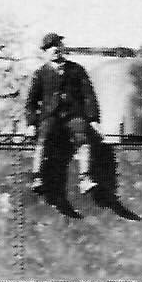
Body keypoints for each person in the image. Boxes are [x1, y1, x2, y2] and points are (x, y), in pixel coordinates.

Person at [24, 33, 101, 195]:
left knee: (83, 137)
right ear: (45, 52)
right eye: (51, 47)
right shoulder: (40, 74)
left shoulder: (76, 70)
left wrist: (93, 120)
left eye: (58, 45)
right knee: (43, 138)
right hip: (50, 117)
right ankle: (37, 177)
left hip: (73, 115)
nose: (56, 49)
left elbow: (89, 95)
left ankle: (84, 179)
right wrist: (31, 123)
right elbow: (30, 102)